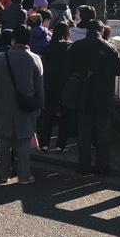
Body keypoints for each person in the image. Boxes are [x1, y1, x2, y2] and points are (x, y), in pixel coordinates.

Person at [66, 19, 120, 176]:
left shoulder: (76, 46)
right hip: (103, 95)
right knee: (103, 132)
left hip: (83, 94)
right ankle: (102, 166)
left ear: (86, 31)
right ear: (102, 30)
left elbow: (68, 68)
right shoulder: (109, 47)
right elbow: (119, 71)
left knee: (84, 132)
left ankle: (84, 166)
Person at [0, 24, 44, 184]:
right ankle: (24, 175)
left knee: (4, 141)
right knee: (24, 141)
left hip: (3, 105)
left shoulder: (1, 58)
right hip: (26, 106)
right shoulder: (35, 59)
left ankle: (4, 174)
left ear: (13, 40)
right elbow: (40, 86)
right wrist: (40, 106)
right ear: (29, 40)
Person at [39, 22, 71, 152]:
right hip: (64, 84)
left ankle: (44, 143)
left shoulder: (48, 48)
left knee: (48, 114)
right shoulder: (69, 48)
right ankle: (60, 145)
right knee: (65, 116)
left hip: (49, 84)